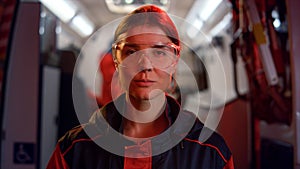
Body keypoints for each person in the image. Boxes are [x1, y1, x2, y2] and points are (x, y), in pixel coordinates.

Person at [47, 5, 234, 169]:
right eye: (132, 52)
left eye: (159, 52)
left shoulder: (211, 153)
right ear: (116, 59)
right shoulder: (74, 150)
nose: (145, 65)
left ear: (175, 61)